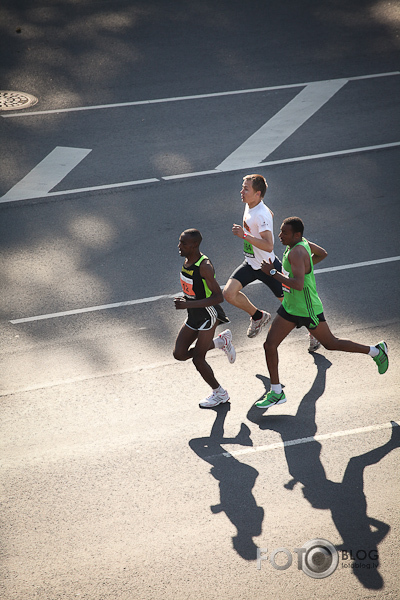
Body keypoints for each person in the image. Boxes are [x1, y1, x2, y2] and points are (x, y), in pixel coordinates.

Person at [255, 216, 389, 408]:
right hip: (291, 306)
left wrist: (274, 273)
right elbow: (322, 253)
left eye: (284, 232)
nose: (280, 235)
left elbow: (299, 285)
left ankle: (376, 351)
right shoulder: (299, 244)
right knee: (270, 345)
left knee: (330, 343)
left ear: (297, 234)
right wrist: (305, 267)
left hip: (307, 309)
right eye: (281, 231)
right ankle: (276, 392)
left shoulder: (298, 251)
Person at [223, 174, 320, 352]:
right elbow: (269, 214)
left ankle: (315, 334)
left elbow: (268, 246)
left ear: (257, 194)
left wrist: (244, 235)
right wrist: (267, 216)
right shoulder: (252, 206)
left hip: (268, 268)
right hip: (251, 264)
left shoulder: (260, 214)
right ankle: (258, 316)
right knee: (228, 294)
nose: (241, 191)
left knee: (292, 304)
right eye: (243, 187)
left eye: (246, 189)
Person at [173, 228, 236, 408]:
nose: (179, 246)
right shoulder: (187, 261)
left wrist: (187, 304)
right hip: (193, 314)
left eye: (183, 243)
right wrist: (186, 299)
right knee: (179, 354)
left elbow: (218, 297)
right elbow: (196, 290)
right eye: (180, 242)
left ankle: (220, 393)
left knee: (198, 359)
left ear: (194, 245)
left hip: (208, 315)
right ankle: (221, 342)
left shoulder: (204, 266)